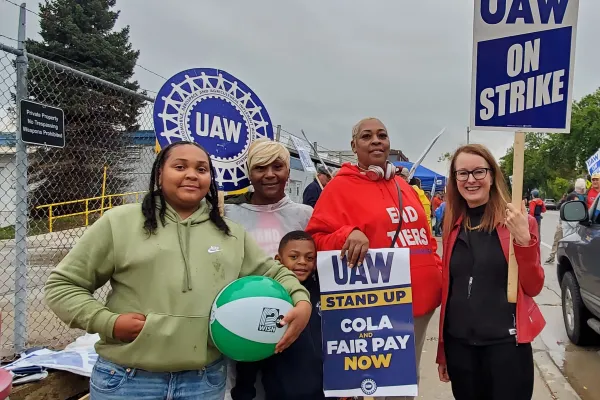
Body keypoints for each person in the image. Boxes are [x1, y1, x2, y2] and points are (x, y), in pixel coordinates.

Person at [44, 141, 312, 400]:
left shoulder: (229, 233)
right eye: (180, 167)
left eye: (201, 169)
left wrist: (301, 301)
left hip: (203, 382)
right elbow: (62, 287)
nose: (192, 175)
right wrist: (108, 322)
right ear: (160, 173)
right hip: (127, 380)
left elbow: (276, 273)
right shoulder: (120, 222)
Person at [306, 117, 442, 400]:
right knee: (387, 382)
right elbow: (315, 240)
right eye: (367, 136)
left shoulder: (403, 186)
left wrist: (435, 269)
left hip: (422, 302)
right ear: (353, 146)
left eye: (382, 135)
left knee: (407, 380)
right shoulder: (339, 188)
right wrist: (347, 234)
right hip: (379, 307)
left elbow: (426, 236)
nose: (376, 140)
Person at [436, 144, 545, 400]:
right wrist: (443, 351)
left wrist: (523, 241)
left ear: (492, 175)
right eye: (462, 173)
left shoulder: (519, 222)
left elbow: (534, 286)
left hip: (506, 348)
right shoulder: (451, 223)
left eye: (478, 172)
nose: (470, 180)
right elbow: (449, 290)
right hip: (460, 348)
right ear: (454, 179)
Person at [223, 139, 313, 399]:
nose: (270, 174)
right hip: (239, 324)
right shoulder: (227, 212)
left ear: (288, 171)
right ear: (249, 173)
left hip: (293, 321)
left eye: (278, 166)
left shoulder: (305, 215)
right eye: (260, 167)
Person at [232, 231, 325, 400]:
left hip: (326, 393)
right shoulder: (267, 299)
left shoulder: (325, 294)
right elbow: (252, 346)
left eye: (310, 258)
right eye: (294, 257)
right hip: (281, 393)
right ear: (278, 260)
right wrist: (243, 391)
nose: (302, 262)